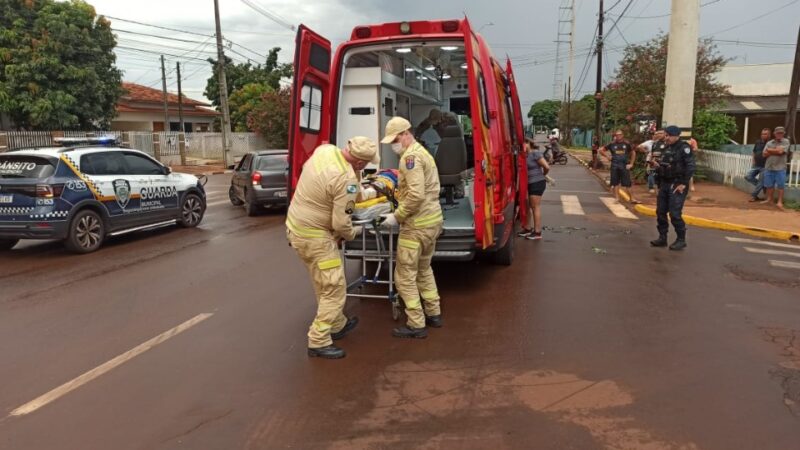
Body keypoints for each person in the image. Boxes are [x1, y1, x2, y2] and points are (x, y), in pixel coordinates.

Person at [286, 137, 380, 359]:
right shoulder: (345, 178)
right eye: (364, 164)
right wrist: (355, 233)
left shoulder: (326, 151)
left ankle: (337, 324)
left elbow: (351, 192)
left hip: (297, 228)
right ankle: (318, 340)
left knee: (323, 282)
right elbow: (341, 224)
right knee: (335, 288)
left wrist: (369, 190)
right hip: (316, 238)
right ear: (359, 163)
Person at [380, 117, 444, 339]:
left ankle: (416, 323)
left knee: (405, 275)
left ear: (406, 134)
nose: (393, 145)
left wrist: (396, 217)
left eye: (395, 140)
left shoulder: (411, 158)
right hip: (432, 221)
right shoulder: (422, 152)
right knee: (424, 269)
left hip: (416, 225)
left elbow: (415, 195)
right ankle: (434, 312)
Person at [650, 126, 695, 251]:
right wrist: (657, 167)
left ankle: (681, 239)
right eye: (666, 135)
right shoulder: (666, 147)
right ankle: (662, 237)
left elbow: (690, 167)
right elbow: (666, 166)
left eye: (668, 135)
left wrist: (683, 183)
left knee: (675, 214)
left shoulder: (684, 148)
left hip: (677, 184)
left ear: (676, 135)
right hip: (665, 183)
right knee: (660, 212)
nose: (666, 138)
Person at [518, 138, 550, 240]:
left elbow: (546, 166)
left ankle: (537, 232)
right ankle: (527, 228)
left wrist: (542, 175)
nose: (522, 146)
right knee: (528, 206)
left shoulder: (535, 153)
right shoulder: (524, 155)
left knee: (535, 207)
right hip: (529, 183)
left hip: (537, 183)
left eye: (523, 143)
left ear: (528, 143)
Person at [600, 129, 640, 204]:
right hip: (614, 165)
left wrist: (631, 164)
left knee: (627, 183)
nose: (618, 136)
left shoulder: (627, 144)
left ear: (622, 135)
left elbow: (633, 153)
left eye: (620, 135)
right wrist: (607, 156)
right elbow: (601, 150)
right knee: (615, 183)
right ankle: (617, 198)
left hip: (624, 166)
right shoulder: (612, 144)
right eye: (617, 135)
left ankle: (632, 198)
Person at [761, 126, 791, 210]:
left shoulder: (786, 141)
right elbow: (764, 154)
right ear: (774, 133)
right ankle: (769, 199)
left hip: (780, 167)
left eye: (781, 133)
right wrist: (776, 150)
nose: (779, 134)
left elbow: (781, 152)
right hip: (769, 166)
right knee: (769, 185)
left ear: (783, 133)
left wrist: (770, 150)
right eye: (778, 133)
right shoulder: (770, 142)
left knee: (780, 186)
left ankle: (779, 202)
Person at [744, 128, 770, 202]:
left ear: (769, 135)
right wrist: (753, 160)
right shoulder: (758, 142)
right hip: (756, 165)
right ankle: (763, 186)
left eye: (765, 134)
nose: (763, 135)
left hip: (765, 166)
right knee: (747, 176)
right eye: (762, 134)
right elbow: (754, 152)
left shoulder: (771, 143)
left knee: (761, 181)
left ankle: (753, 196)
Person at [638, 129, 666, 194]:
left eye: (661, 133)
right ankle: (654, 190)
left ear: (665, 134)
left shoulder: (667, 143)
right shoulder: (655, 144)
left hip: (663, 165)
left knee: (663, 180)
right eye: (658, 133)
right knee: (652, 175)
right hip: (654, 163)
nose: (659, 135)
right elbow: (652, 153)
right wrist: (649, 163)